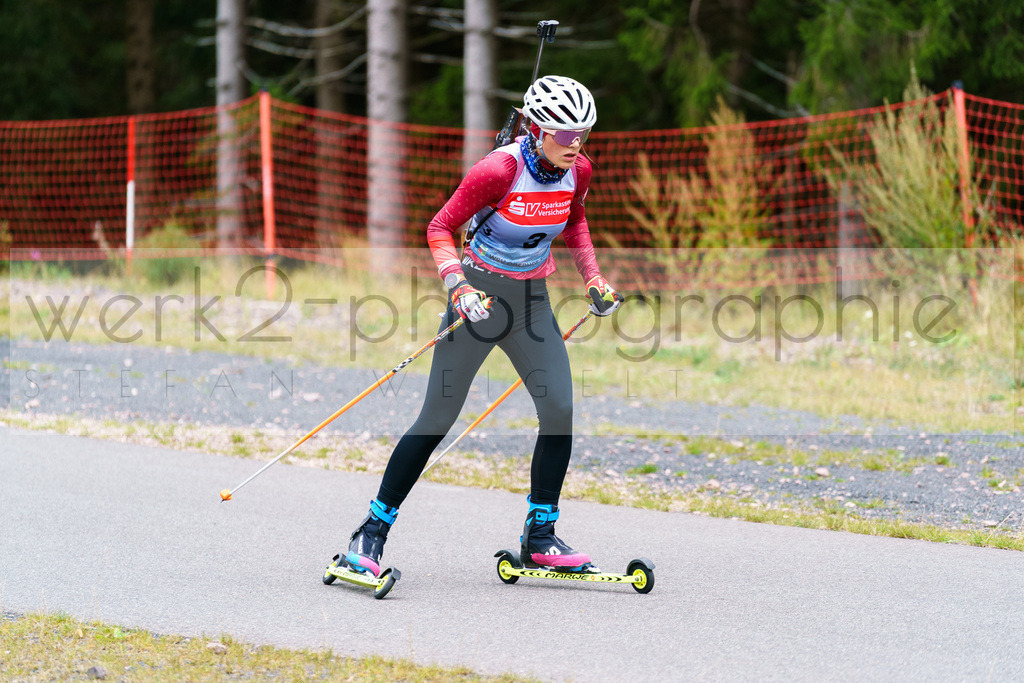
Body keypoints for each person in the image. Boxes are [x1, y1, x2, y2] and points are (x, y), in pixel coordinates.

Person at [338, 75, 621, 577]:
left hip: (532, 303)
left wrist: (594, 278)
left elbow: (575, 220)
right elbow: (439, 226)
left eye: (584, 133)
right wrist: (459, 288)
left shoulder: (579, 170)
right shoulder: (499, 169)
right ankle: (371, 533)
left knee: (559, 409)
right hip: (479, 299)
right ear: (537, 129)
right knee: (437, 419)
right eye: (564, 133)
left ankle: (540, 536)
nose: (575, 144)